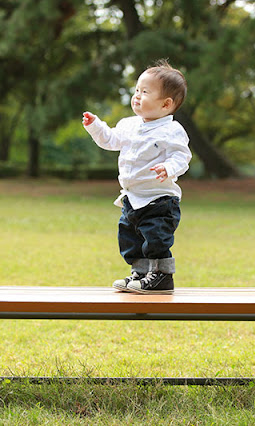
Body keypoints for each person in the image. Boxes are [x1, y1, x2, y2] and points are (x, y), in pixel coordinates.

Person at [82, 59, 191, 294]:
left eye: (145, 92)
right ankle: (141, 274)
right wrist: (95, 126)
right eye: (136, 90)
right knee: (130, 238)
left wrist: (169, 168)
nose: (137, 96)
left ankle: (162, 276)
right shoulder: (129, 125)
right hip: (132, 198)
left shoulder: (171, 130)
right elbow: (110, 140)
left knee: (155, 238)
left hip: (159, 199)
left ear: (166, 104)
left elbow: (182, 157)